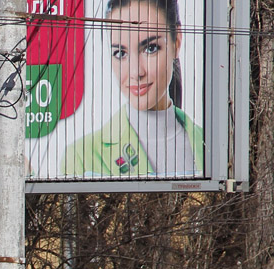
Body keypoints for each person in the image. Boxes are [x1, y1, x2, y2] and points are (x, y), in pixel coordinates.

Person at [61, 0, 202, 177]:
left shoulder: (208, 146)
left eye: (150, 48)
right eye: (120, 53)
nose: (136, 72)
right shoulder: (81, 156)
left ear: (176, 42)